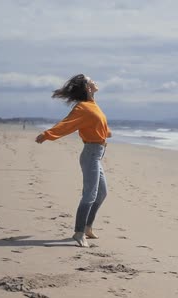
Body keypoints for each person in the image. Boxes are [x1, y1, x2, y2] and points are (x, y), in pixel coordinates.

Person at [35, 74, 112, 247]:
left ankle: (87, 227)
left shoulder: (92, 105)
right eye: (90, 79)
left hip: (97, 153)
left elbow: (95, 123)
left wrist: (105, 132)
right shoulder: (83, 107)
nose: (94, 80)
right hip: (91, 153)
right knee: (90, 195)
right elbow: (67, 123)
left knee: (102, 193)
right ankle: (78, 233)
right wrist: (47, 134)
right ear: (87, 87)